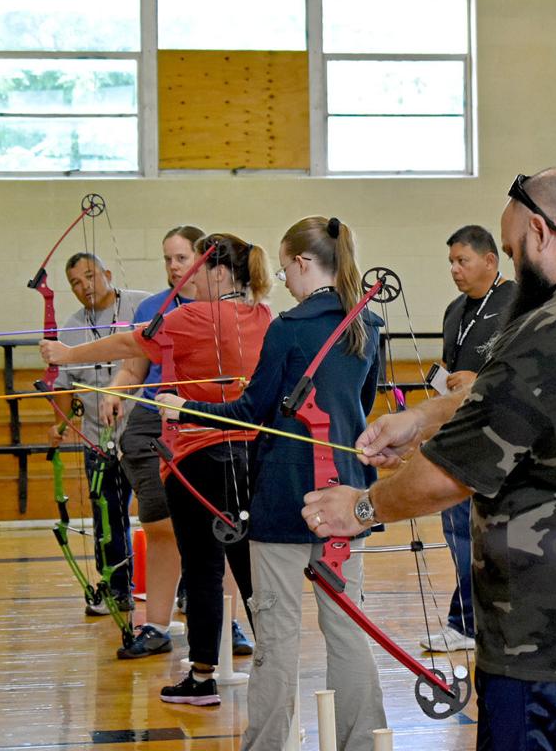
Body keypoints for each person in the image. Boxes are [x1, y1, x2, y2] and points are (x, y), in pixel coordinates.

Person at [302, 169, 556, 750]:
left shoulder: (547, 329)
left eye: (511, 250)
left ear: (542, 232)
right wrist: (423, 417)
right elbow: (538, 399)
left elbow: (449, 475)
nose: (511, 264)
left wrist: (362, 507)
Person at [157, 216, 387, 750]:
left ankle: (267, 746)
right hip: (347, 495)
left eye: (286, 270)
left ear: (304, 264)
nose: (283, 281)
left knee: (277, 639)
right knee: (347, 630)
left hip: (284, 499)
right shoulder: (368, 324)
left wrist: (183, 406)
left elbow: (248, 413)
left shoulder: (288, 327)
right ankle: (361, 742)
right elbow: (361, 405)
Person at [41, 233, 272, 706]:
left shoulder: (187, 317)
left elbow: (129, 343)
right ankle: (275, 664)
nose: (184, 276)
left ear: (221, 272)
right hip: (253, 458)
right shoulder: (263, 315)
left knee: (204, 568)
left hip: (198, 460)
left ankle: (203, 679)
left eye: (195, 267)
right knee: (251, 566)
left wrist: (66, 356)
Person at [100, 225, 251, 660]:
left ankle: (225, 625)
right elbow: (131, 369)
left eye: (182, 258)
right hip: (153, 424)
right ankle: (156, 625)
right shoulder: (154, 307)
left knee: (222, 528)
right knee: (162, 527)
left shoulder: (229, 309)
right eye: (167, 259)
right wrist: (115, 393)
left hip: (210, 422)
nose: (173, 267)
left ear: (206, 263)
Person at [424, 225, 517, 654]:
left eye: (463, 261)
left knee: (490, 536)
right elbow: (452, 362)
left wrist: (480, 380)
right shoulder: (453, 310)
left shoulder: (517, 303)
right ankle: (468, 620)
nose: (455, 271)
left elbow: (524, 372)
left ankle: (470, 622)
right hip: (457, 437)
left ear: (491, 261)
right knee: (458, 532)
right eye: (451, 263)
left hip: (501, 442)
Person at [48, 253, 150, 621]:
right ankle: (116, 589)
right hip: (97, 437)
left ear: (107, 274)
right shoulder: (70, 328)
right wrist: (60, 426)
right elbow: (63, 386)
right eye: (75, 282)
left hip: (143, 434)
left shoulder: (142, 304)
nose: (84, 286)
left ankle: (186, 590)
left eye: (90, 276)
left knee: (164, 516)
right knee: (108, 517)